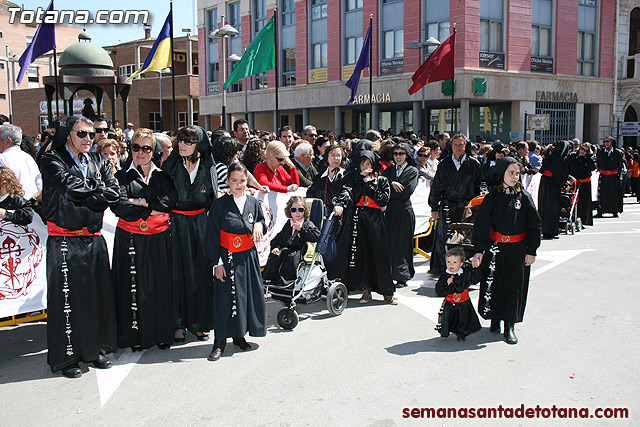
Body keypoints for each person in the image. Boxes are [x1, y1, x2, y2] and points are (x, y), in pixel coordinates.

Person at [40, 115, 120, 378]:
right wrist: (98, 192)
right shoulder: (52, 160)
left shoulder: (98, 160)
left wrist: (96, 194)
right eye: (82, 134)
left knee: (97, 297)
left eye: (91, 134)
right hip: (65, 240)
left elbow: (114, 191)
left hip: (94, 239)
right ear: (68, 135)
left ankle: (95, 349)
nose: (88, 138)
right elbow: (69, 188)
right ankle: (66, 358)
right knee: (67, 300)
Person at [111, 128, 178, 351]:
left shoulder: (163, 177)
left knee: (159, 286)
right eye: (135, 147)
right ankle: (135, 337)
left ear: (153, 151)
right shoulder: (120, 176)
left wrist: (140, 203)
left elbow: (169, 201)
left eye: (146, 148)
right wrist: (151, 208)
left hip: (159, 238)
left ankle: (161, 334)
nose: (140, 152)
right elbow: (120, 207)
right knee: (133, 287)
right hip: (130, 239)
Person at [472, 157, 541, 344]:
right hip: (495, 249)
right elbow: (482, 225)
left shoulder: (524, 197)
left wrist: (531, 250)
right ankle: (494, 317)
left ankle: (509, 325)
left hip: (518, 250)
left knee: (513, 287)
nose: (514, 176)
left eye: (517, 173)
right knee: (494, 284)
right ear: (502, 173)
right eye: (511, 172)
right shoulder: (492, 198)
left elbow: (535, 225)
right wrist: (479, 250)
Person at [205, 162, 267, 361]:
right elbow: (212, 236)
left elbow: (262, 222)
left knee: (244, 297)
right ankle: (219, 341)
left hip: (248, 257)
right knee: (225, 299)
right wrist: (217, 263)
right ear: (227, 182)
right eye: (234, 181)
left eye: (242, 181)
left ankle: (239, 335)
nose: (238, 185)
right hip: (227, 257)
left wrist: (258, 224)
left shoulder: (253, 202)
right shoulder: (219, 205)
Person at [162, 125, 217, 344]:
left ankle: (199, 323)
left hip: (201, 222)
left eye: (188, 141)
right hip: (176, 222)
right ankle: (178, 323)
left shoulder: (207, 165)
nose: (182, 145)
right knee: (177, 271)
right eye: (180, 140)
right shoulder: (170, 164)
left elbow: (213, 194)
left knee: (200, 272)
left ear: (199, 145)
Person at [333, 151, 397, 304]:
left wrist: (370, 183)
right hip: (359, 220)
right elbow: (350, 195)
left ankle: (387, 292)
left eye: (368, 163)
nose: (365, 167)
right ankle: (366, 290)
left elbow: (382, 200)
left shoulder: (381, 180)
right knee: (363, 256)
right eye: (362, 164)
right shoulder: (355, 180)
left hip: (376, 221)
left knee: (380, 256)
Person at [428, 134, 483, 274]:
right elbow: (436, 186)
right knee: (443, 236)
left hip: (467, 205)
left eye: (461, 144)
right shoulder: (444, 164)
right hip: (447, 204)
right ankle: (440, 267)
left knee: (466, 236)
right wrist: (434, 207)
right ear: (451, 147)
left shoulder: (474, 164)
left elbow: (481, 183)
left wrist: (482, 192)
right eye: (455, 145)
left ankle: (465, 266)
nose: (458, 148)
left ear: (466, 146)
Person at [382, 142, 419, 287]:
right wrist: (392, 183)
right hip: (390, 212)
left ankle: (403, 275)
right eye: (396, 153)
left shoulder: (412, 171)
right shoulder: (389, 171)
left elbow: (405, 191)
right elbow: (381, 185)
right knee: (390, 243)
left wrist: (390, 187)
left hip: (404, 212)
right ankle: (390, 273)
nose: (398, 156)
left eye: (401, 153)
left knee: (403, 244)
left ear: (407, 155)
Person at [263, 195, 320, 285]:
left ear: (305, 210)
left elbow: (316, 236)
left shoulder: (307, 223)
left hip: (299, 250)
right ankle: (270, 280)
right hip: (286, 249)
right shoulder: (288, 224)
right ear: (290, 211)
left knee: (290, 258)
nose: (297, 213)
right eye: (294, 210)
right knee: (275, 256)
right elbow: (279, 238)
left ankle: (287, 283)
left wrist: (302, 229)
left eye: (300, 210)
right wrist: (276, 247)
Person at [435, 248, 481, 341]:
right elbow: (439, 291)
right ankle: (445, 330)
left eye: (455, 262)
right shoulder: (445, 275)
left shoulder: (465, 273)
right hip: (450, 301)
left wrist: (476, 268)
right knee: (448, 317)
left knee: (463, 318)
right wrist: (446, 285)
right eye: (448, 262)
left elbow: (464, 285)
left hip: (463, 301)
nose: (451, 265)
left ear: (461, 264)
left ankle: (461, 333)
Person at [307, 144, 353, 215]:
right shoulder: (320, 177)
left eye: (338, 155)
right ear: (327, 157)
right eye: (332, 155)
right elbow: (311, 194)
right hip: (322, 215)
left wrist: (340, 204)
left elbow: (347, 191)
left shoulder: (347, 175)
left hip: (341, 217)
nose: (336, 158)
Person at [538, 140, 570, 238]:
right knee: (553, 208)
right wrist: (564, 183)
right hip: (553, 184)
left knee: (545, 207)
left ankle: (545, 229)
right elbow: (562, 174)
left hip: (545, 182)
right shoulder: (561, 158)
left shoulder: (550, 155)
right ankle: (551, 230)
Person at [0, 124, 42, 199]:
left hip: (11, 208)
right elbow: (39, 185)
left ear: (7, 141)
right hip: (31, 205)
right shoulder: (28, 158)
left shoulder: (2, 159)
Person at [568, 143, 596, 226]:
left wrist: (590, 156)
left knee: (584, 202)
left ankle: (583, 220)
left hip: (584, 182)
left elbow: (592, 168)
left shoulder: (588, 158)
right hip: (574, 181)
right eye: (582, 149)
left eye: (586, 150)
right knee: (572, 201)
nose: (583, 151)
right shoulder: (572, 156)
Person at [595, 136, 623, 218]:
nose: (606, 143)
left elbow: (620, 165)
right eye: (604, 141)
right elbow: (598, 163)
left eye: (608, 141)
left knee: (613, 194)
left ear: (612, 142)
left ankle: (614, 210)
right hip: (603, 176)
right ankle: (601, 211)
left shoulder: (618, 153)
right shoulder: (600, 152)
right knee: (602, 194)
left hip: (613, 177)